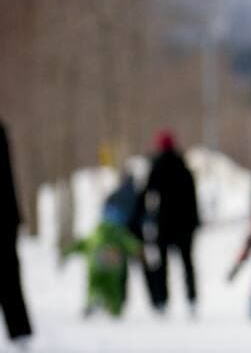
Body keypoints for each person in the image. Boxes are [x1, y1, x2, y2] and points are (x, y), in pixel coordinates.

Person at [140, 131, 203, 316]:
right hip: (184, 224)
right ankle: (191, 299)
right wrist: (195, 220)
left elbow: (147, 194)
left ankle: (162, 300)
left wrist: (145, 217)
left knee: (163, 264)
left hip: (165, 223)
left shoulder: (157, 166)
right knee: (187, 263)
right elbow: (193, 198)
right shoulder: (183, 167)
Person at [64, 196, 145, 318]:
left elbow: (82, 244)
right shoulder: (119, 232)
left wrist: (67, 251)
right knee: (113, 289)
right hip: (113, 266)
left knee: (94, 285)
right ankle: (115, 309)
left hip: (96, 264)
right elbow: (130, 243)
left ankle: (93, 299)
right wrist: (139, 250)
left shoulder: (96, 232)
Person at [1, 120, 33, 348]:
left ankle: (20, 330)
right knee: (9, 274)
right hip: (6, 217)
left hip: (5, 217)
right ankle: (19, 329)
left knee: (9, 274)